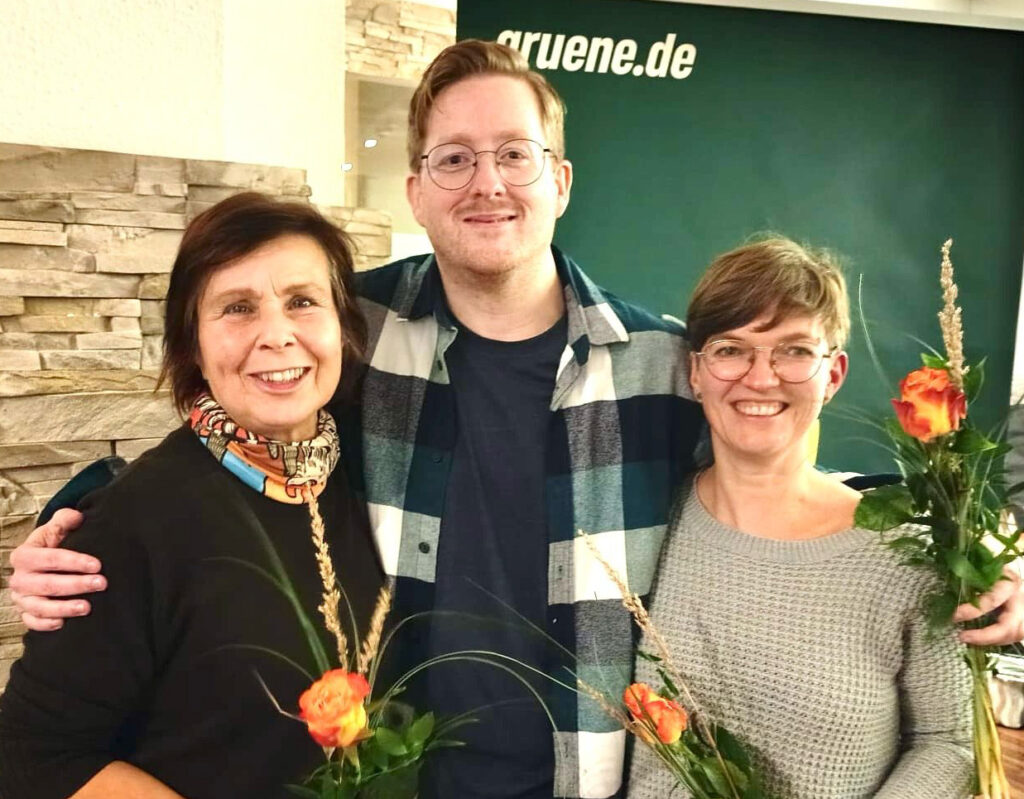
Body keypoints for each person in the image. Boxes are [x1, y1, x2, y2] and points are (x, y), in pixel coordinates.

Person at [6, 41, 1022, 799]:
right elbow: (238, 421)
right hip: (399, 775)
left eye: (513, 154)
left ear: (559, 179)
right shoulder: (358, 331)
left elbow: (778, 467)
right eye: (453, 159)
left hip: (589, 777)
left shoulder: (658, 362)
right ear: (416, 190)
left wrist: (973, 550)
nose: (487, 182)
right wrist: (82, 511)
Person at [0, 193, 384, 799]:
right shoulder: (132, 521)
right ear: (192, 346)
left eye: (303, 302)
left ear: (344, 329)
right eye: (238, 308)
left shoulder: (371, 475)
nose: (277, 335)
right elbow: (34, 754)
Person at [628, 238, 972, 798]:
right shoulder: (643, 521)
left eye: (793, 350)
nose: (761, 378)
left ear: (833, 375)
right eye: (731, 349)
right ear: (695, 372)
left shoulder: (907, 553)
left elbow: (950, 741)